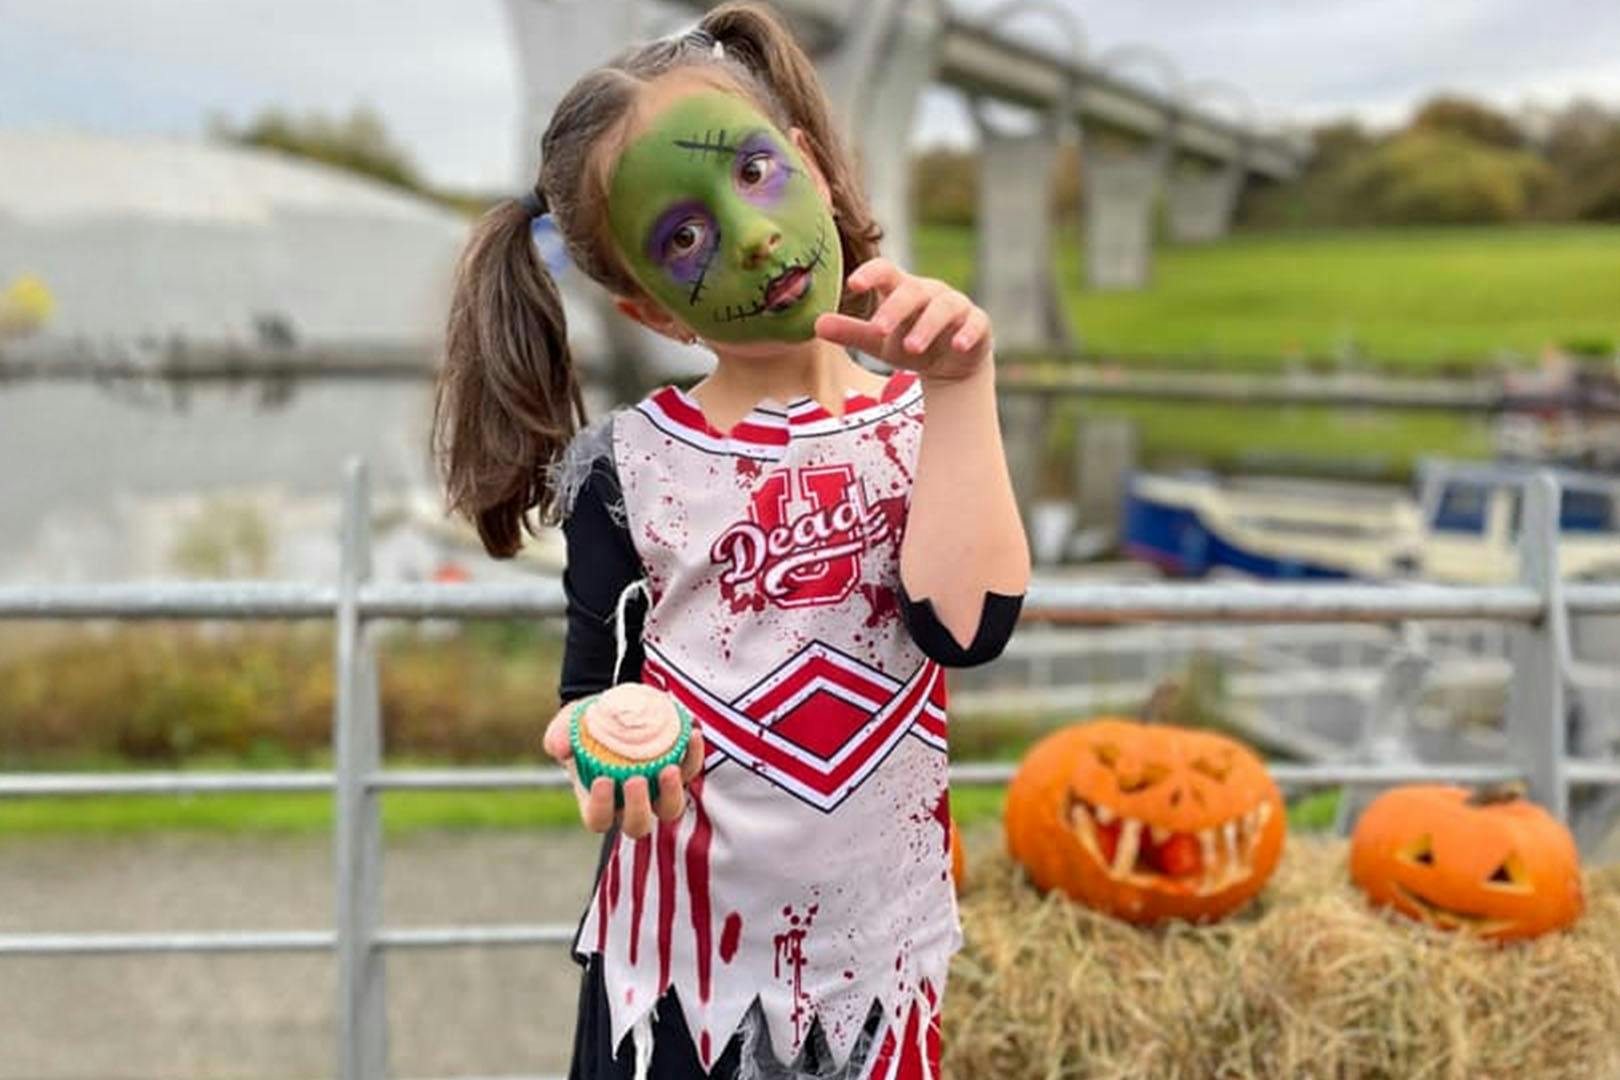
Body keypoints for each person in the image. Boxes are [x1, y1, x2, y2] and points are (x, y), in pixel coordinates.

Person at [430, 3, 1030, 1076]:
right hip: (676, 986)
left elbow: (966, 628)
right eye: (684, 238)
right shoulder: (629, 467)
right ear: (653, 312)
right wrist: (600, 740)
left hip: (880, 974)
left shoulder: (924, 423)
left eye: (754, 173)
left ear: (814, 166)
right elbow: (590, 694)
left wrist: (963, 384)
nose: (751, 234)